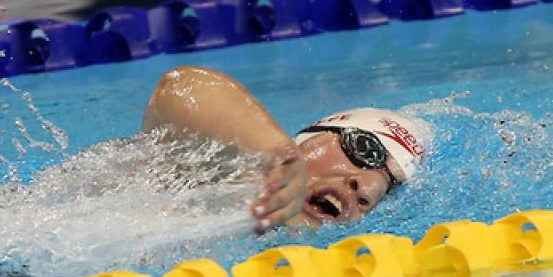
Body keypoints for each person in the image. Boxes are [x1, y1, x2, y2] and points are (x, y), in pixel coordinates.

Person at [143, 66, 432, 232]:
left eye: (389, 186)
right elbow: (180, 88)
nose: (368, 188)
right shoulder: (213, 165)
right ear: (311, 136)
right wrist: (276, 152)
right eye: (365, 149)